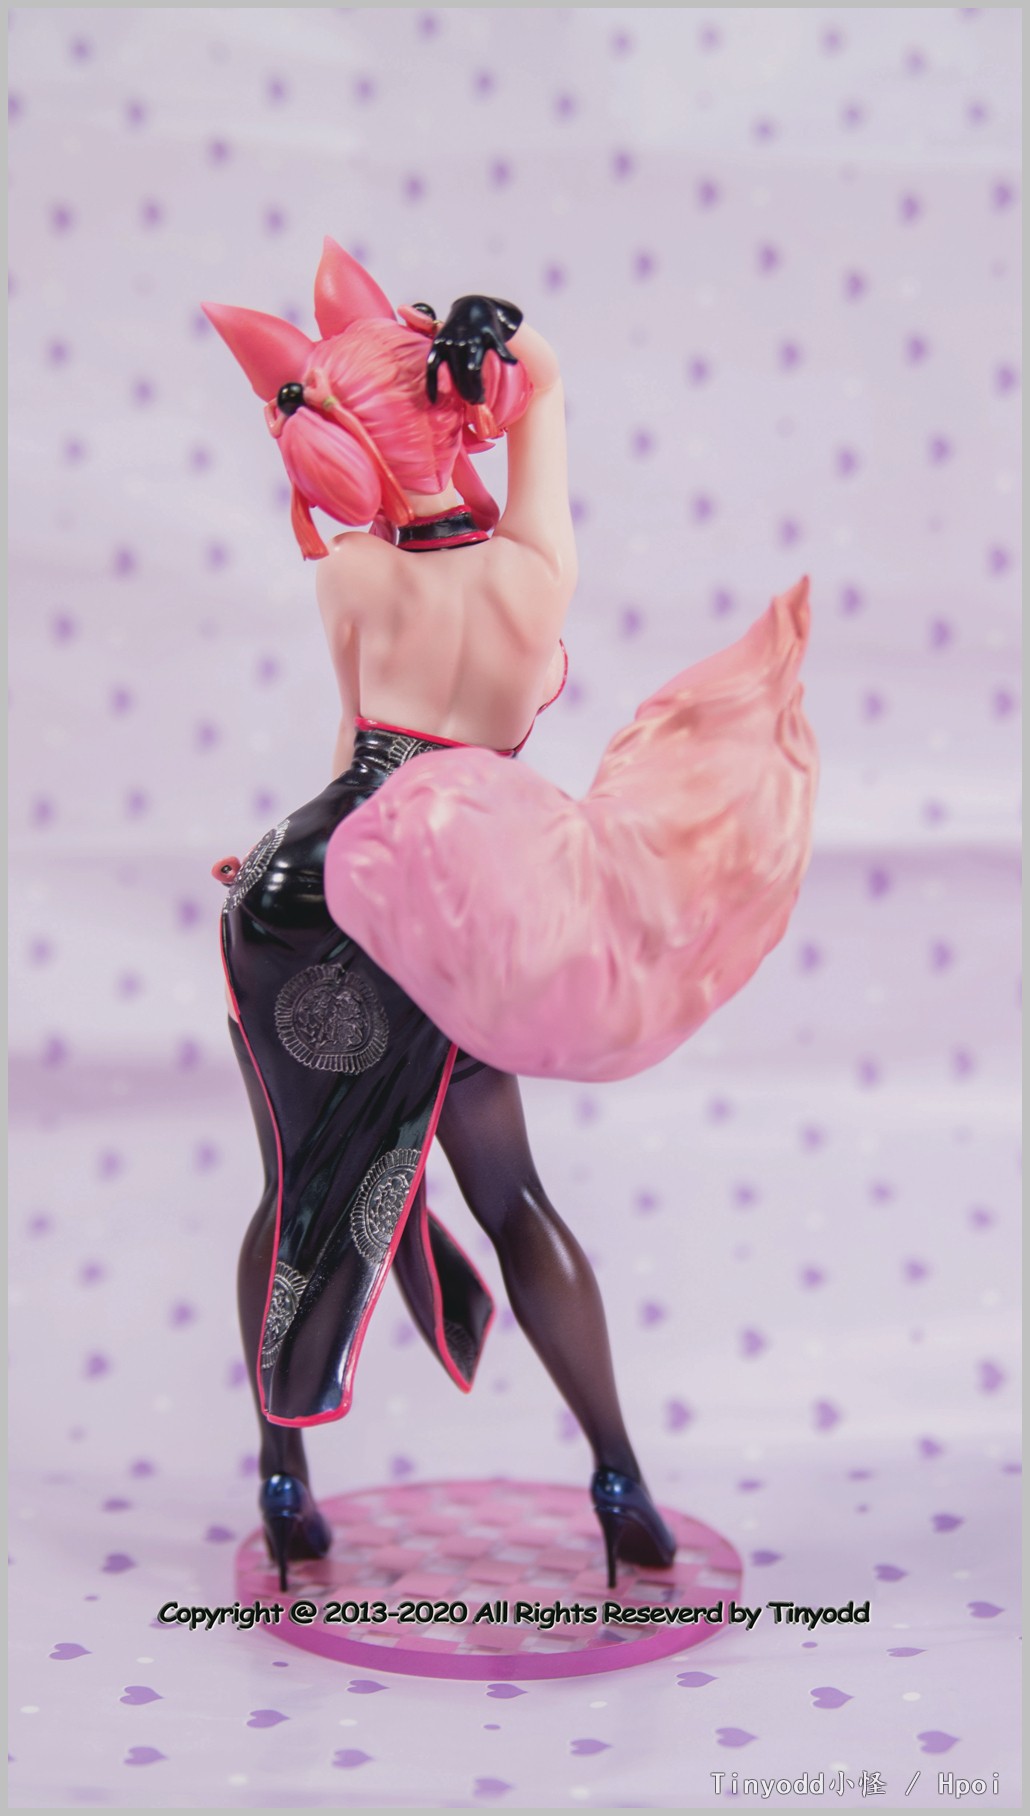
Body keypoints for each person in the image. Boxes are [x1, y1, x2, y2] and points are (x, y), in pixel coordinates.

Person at [204, 240, 817, 1593]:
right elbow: (548, 389)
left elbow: (354, 752)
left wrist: (281, 851)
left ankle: (282, 1480)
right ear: (458, 410)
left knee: (296, 1181)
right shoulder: (533, 574)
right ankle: (621, 1481)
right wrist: (500, 346)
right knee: (511, 1193)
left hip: (308, 889)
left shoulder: (347, 578)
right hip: (461, 891)